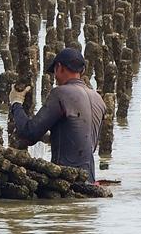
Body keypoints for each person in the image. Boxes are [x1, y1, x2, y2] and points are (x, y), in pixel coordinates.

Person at [9, 47, 106, 182]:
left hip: (64, 181)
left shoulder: (60, 93)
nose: (55, 78)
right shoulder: (98, 99)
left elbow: (28, 133)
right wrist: (49, 137)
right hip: (88, 180)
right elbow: (83, 139)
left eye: (54, 71)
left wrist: (16, 103)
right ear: (82, 70)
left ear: (59, 67)